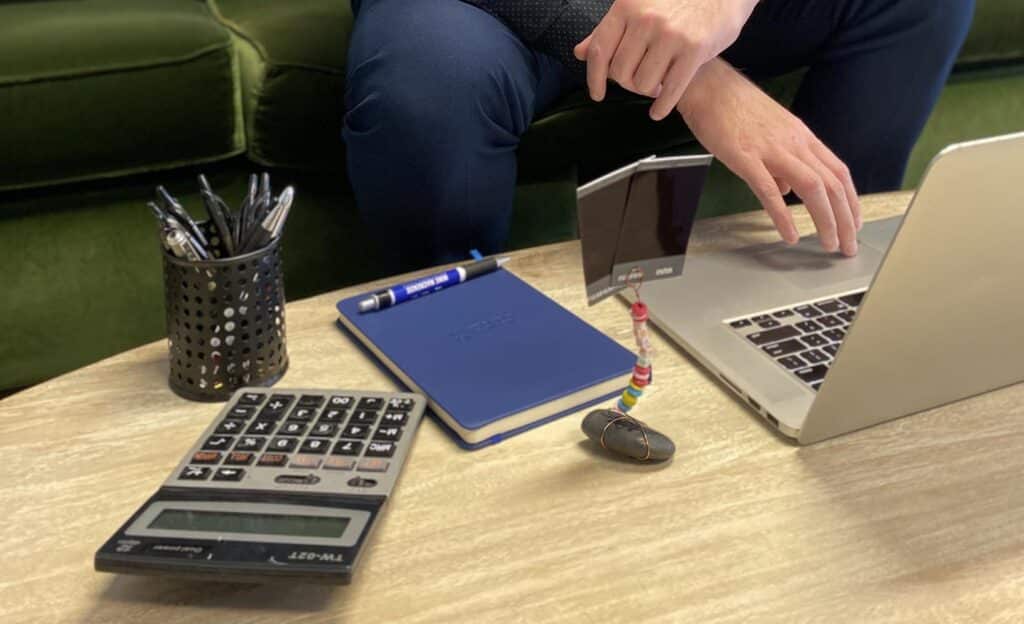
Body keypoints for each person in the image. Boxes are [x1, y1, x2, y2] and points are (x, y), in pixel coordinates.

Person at [344, 0, 974, 267]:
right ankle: (457, 340)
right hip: (483, 11)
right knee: (426, 91)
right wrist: (702, 80)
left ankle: (831, 284)